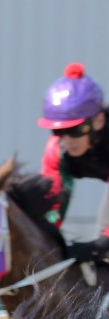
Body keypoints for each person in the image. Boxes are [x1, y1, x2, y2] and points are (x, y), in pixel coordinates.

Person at [37, 62, 109, 262]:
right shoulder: (56, 151)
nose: (68, 140)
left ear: (99, 121)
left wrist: (101, 244)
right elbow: (53, 204)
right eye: (59, 131)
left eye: (75, 130)